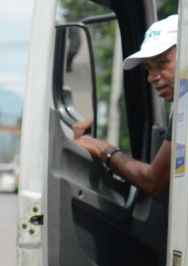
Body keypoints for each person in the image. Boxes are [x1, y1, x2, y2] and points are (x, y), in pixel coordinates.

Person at [75, 14, 178, 197]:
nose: (152, 77)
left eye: (162, 63)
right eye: (148, 68)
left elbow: (153, 181)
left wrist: (102, 149)